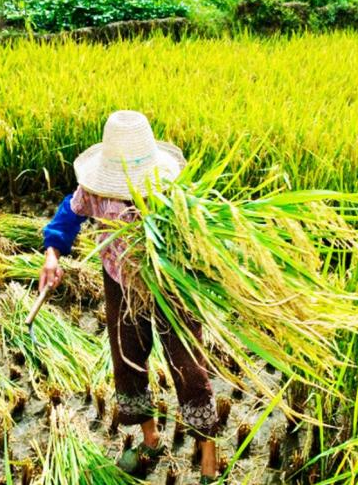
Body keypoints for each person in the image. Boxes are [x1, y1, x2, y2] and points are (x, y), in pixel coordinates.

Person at [39, 110, 219, 483]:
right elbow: (67, 216)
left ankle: (208, 453)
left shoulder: (170, 192)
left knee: (187, 362)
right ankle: (150, 439)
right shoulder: (94, 191)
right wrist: (52, 254)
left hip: (169, 284)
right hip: (120, 283)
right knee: (127, 356)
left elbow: (200, 236)